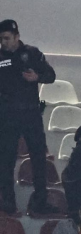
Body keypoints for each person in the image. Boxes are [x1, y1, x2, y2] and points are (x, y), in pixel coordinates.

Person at [0, 19, 58, 216]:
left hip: (30, 113)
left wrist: (37, 77)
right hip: (7, 115)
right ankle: (8, 202)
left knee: (39, 159)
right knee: (6, 160)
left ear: (17, 37)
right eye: (1, 39)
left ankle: (40, 202)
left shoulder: (31, 53)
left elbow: (51, 75)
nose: (3, 43)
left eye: (7, 38)